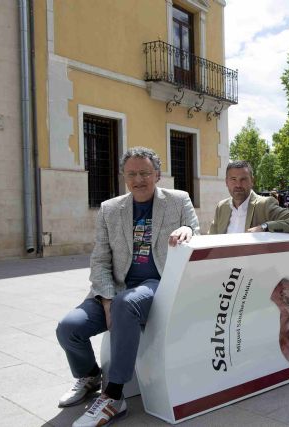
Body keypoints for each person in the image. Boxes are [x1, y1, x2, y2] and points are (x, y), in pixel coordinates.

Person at [56, 147, 199, 427]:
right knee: (69, 327)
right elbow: (99, 260)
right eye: (132, 174)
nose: (139, 179)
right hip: (116, 288)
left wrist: (189, 231)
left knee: (127, 304)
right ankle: (89, 377)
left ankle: (114, 395)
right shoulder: (110, 209)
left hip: (157, 284)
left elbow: (197, 232)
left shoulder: (178, 200)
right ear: (124, 177)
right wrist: (107, 300)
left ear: (157, 175)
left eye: (145, 173)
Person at [208, 160, 289, 234]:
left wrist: (264, 227)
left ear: (252, 181)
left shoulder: (264, 205)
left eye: (243, 179)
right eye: (233, 179)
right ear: (226, 182)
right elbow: (210, 240)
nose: (238, 185)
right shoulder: (222, 207)